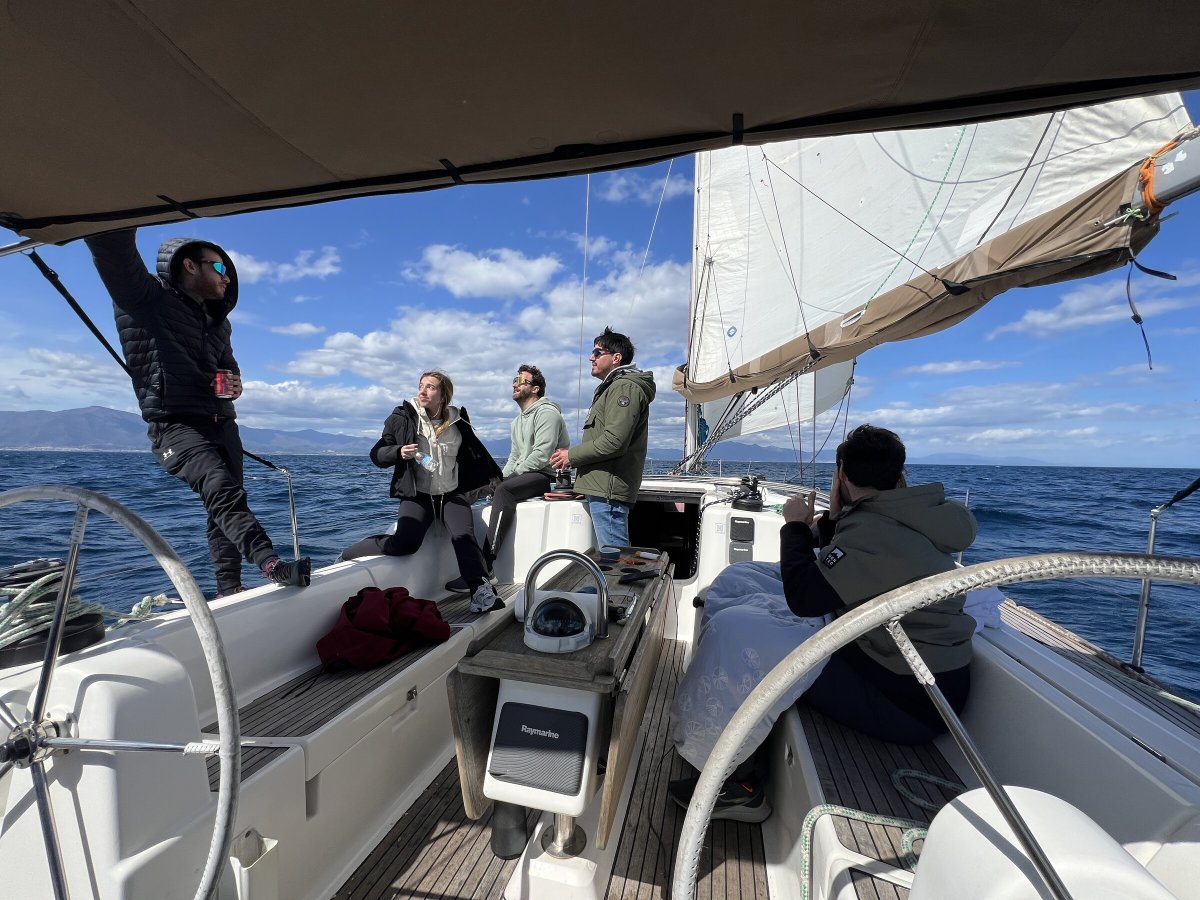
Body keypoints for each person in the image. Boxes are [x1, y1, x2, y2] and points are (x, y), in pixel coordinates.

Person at [669, 424, 977, 822]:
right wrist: (834, 519)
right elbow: (854, 553)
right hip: (906, 671)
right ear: (899, 475)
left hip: (906, 702)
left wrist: (795, 526)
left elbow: (806, 599)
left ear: (842, 475)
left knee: (736, 633)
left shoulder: (876, 530)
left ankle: (739, 787)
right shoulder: (908, 513)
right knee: (738, 579)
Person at [85, 229, 311, 597]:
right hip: (174, 424)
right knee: (220, 488)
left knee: (224, 504)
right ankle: (271, 564)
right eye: (219, 267)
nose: (227, 277)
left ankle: (229, 587)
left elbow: (228, 365)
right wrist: (115, 212)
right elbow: (114, 252)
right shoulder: (146, 299)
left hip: (222, 423)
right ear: (189, 266)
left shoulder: (218, 322)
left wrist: (235, 384)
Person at [342, 371, 504, 613]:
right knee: (405, 543)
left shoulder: (458, 422)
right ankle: (351, 552)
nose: (423, 390)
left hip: (451, 493)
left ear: (443, 395)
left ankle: (480, 592)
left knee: (464, 537)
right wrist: (398, 452)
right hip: (419, 494)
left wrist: (492, 477)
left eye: (430, 387)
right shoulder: (403, 418)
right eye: (421, 385)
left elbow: (475, 453)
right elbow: (377, 454)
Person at [548, 327, 655, 548]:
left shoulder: (624, 387)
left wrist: (571, 456)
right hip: (601, 489)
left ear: (616, 358)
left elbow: (614, 441)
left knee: (615, 557)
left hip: (607, 492)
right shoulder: (613, 387)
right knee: (609, 557)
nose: (591, 357)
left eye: (597, 352)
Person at [474, 364, 568, 577]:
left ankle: (485, 565)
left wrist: (508, 480)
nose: (514, 384)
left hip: (543, 475)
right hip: (524, 475)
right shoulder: (517, 422)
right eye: (514, 381)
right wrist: (501, 477)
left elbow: (542, 455)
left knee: (504, 490)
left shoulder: (547, 413)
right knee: (480, 485)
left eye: (520, 381)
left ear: (535, 388)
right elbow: (514, 457)